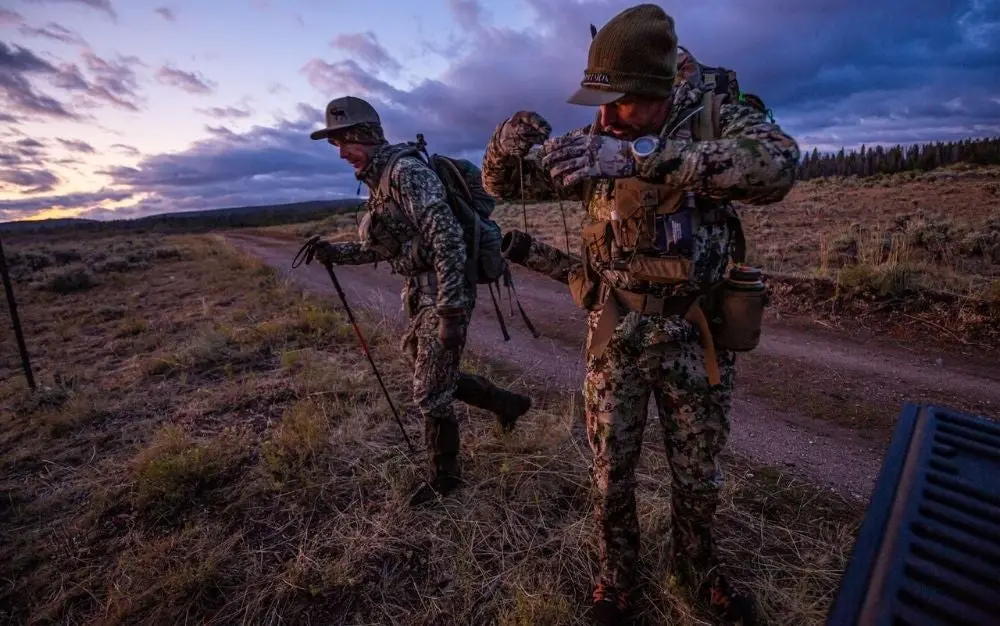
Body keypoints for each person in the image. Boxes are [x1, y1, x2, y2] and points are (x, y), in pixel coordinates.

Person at [480, 4, 800, 624]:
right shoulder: (596, 139)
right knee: (611, 471)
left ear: (659, 92)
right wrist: (504, 144)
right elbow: (507, 185)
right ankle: (617, 580)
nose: (603, 120)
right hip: (615, 333)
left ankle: (698, 571)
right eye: (598, 103)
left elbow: (778, 166)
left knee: (698, 474)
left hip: (691, 333)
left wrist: (641, 160)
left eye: (621, 102)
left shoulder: (713, 118)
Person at [307, 95, 533, 506]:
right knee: (433, 375)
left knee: (429, 390)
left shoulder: (406, 173)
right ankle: (509, 403)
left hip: (444, 290)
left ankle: (445, 478)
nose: (341, 154)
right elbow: (389, 247)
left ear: (367, 135)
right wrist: (335, 252)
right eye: (335, 145)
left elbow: (446, 240)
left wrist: (450, 311)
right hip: (419, 290)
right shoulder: (378, 180)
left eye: (346, 142)